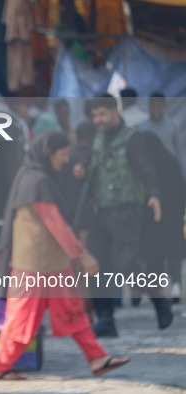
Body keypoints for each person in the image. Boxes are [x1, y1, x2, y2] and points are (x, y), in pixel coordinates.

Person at [0, 131, 129, 380]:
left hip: (51, 265)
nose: (65, 160)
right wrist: (83, 256)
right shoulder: (37, 181)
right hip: (33, 267)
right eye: (62, 155)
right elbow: (56, 225)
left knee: (73, 312)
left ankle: (97, 358)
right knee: (22, 320)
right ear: (48, 152)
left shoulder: (35, 177)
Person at [85, 95, 172, 337]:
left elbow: (147, 170)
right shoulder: (98, 139)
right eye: (95, 116)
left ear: (115, 111)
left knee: (126, 264)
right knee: (96, 266)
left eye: (102, 114)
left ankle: (158, 299)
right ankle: (105, 319)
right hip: (100, 210)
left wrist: (153, 196)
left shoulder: (132, 139)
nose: (98, 120)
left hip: (126, 211)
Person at [136, 132, 185, 303]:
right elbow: (181, 188)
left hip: (152, 217)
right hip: (173, 214)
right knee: (173, 253)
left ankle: (152, 289)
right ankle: (176, 285)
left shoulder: (146, 165)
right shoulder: (170, 160)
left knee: (154, 254)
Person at [138, 93, 186, 183]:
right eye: (154, 107)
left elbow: (180, 153)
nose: (156, 110)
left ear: (164, 107)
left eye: (159, 107)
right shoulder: (141, 128)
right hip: (151, 171)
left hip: (170, 170)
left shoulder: (173, 126)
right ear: (149, 107)